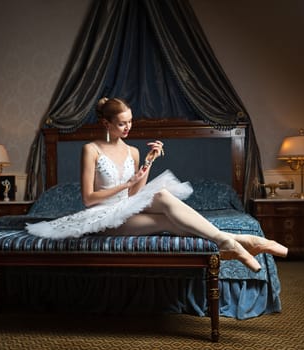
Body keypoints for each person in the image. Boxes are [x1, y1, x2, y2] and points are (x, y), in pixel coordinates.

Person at [26, 97, 287, 272]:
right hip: (102, 216)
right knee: (164, 207)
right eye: (122, 123)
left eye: (130, 121)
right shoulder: (91, 149)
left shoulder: (133, 151)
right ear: (106, 123)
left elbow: (135, 194)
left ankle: (233, 241)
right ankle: (240, 241)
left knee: (167, 215)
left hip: (126, 210)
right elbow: (89, 199)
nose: (128, 127)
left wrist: (147, 163)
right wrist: (125, 184)